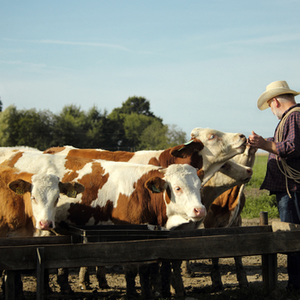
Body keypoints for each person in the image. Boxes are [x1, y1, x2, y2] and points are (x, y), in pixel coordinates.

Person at [248, 80, 300, 291]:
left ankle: (296, 285)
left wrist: (263, 144)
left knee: (293, 236)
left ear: (275, 101)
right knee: (293, 236)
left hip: (294, 189)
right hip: (291, 189)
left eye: (270, 106)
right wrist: (262, 141)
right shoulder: (292, 117)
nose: (271, 111)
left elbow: (292, 147)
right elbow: (283, 141)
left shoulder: (295, 115)